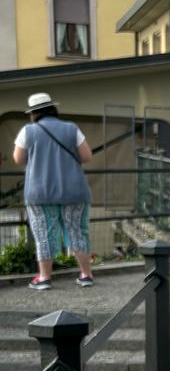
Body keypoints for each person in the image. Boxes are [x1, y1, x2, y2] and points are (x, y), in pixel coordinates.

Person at [13, 93, 94, 289]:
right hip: (74, 191)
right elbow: (86, 156)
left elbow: (18, 159)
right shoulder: (71, 128)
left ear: (33, 113)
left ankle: (44, 278)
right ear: (53, 109)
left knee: (44, 234)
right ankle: (85, 275)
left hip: (40, 193)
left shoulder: (28, 131)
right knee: (77, 232)